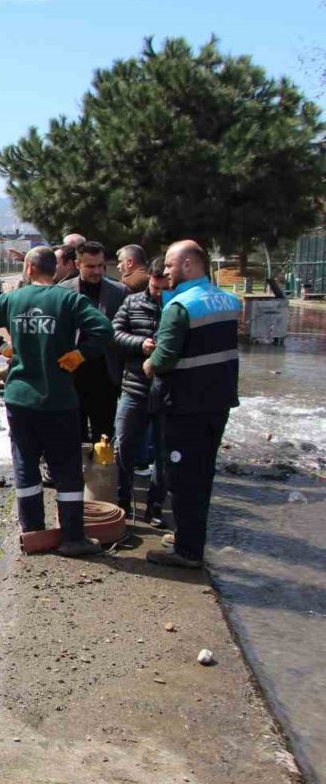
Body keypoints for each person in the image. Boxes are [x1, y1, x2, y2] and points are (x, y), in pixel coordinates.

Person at [0, 246, 113, 557]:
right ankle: (73, 538)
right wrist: (80, 354)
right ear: (57, 270)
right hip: (59, 398)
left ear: (29, 269)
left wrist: (3, 348)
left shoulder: (12, 300)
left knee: (25, 463)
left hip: (19, 397)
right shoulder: (69, 299)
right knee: (67, 468)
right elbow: (103, 328)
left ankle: (33, 531)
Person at [143, 240, 241, 568]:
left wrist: (149, 363)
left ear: (187, 266)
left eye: (170, 265)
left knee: (183, 476)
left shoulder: (181, 307)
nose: (165, 271)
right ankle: (189, 536)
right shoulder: (228, 301)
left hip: (186, 406)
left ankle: (187, 551)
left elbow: (165, 357)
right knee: (202, 474)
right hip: (218, 402)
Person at [111, 256, 169, 522]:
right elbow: (115, 332)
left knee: (163, 451)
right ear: (150, 282)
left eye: (164, 289)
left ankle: (155, 506)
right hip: (134, 387)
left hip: (168, 391)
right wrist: (139, 344)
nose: (159, 294)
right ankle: (123, 500)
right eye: (156, 288)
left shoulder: (178, 305)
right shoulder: (132, 302)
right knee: (123, 445)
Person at [59, 241, 127, 445]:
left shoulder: (119, 292)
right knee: (72, 432)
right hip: (72, 373)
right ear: (77, 264)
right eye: (90, 266)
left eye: (100, 265)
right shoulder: (62, 292)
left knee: (104, 434)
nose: (97, 271)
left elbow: (123, 331)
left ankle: (101, 474)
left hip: (106, 374)